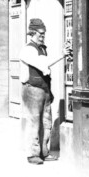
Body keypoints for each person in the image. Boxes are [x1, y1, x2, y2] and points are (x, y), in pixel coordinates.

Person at [19, 18, 67, 165]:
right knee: (34, 122)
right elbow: (42, 64)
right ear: (32, 33)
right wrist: (61, 54)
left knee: (46, 122)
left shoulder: (42, 48)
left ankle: (43, 152)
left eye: (44, 33)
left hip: (43, 89)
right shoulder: (28, 49)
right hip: (32, 89)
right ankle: (33, 154)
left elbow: (46, 71)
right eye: (40, 33)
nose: (43, 36)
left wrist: (49, 92)